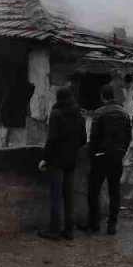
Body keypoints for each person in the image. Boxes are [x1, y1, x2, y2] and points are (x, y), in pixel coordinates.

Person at [81, 84, 132, 236]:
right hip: (116, 158)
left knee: (93, 191)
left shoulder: (99, 113)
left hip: (100, 158)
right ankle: (112, 224)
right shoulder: (124, 114)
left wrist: (93, 155)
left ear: (102, 96)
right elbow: (128, 138)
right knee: (114, 191)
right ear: (113, 95)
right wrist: (122, 152)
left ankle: (94, 223)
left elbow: (93, 138)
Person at [38, 87, 86, 241]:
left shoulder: (56, 114)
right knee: (68, 196)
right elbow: (83, 139)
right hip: (71, 161)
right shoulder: (78, 114)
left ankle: (54, 230)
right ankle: (69, 230)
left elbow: (52, 139)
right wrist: (71, 150)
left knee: (56, 196)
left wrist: (45, 158)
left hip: (56, 161)